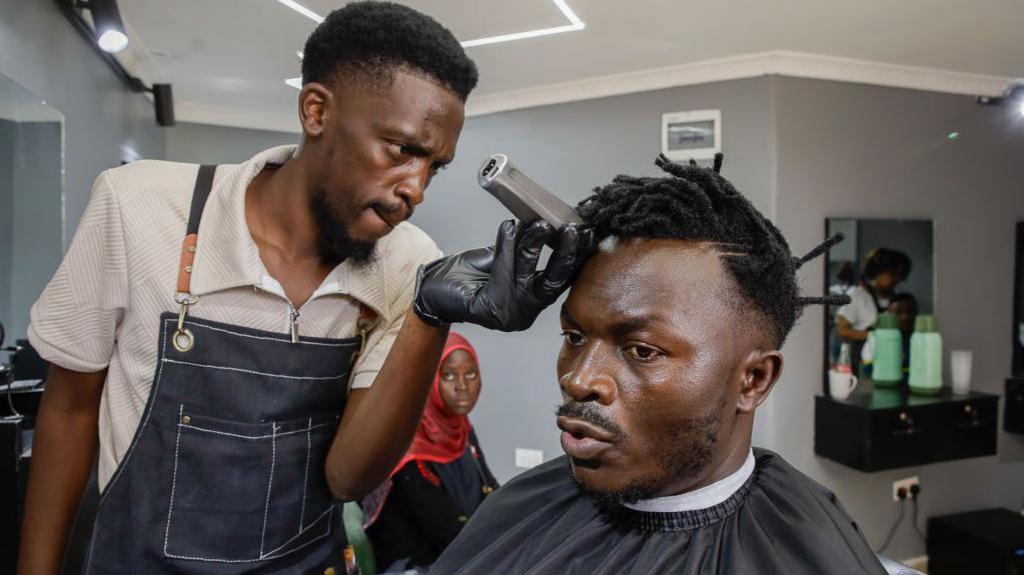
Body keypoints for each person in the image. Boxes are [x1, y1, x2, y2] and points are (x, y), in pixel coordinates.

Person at [17, 3, 588, 573]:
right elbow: (68, 412)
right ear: (316, 110)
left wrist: (429, 317)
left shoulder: (409, 263)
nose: (415, 188)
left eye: (434, 166)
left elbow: (349, 477)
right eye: (401, 149)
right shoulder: (138, 206)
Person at [429, 155, 890, 575]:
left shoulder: (803, 547)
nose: (578, 379)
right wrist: (424, 315)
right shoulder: (521, 508)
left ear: (753, 380)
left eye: (643, 350)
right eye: (574, 337)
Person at [364, 332, 499, 571]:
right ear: (428, 379)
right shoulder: (408, 443)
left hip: (463, 545)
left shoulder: (461, 428)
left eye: (470, 374)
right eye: (448, 375)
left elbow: (489, 489)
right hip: (415, 562)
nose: (462, 387)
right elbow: (444, 530)